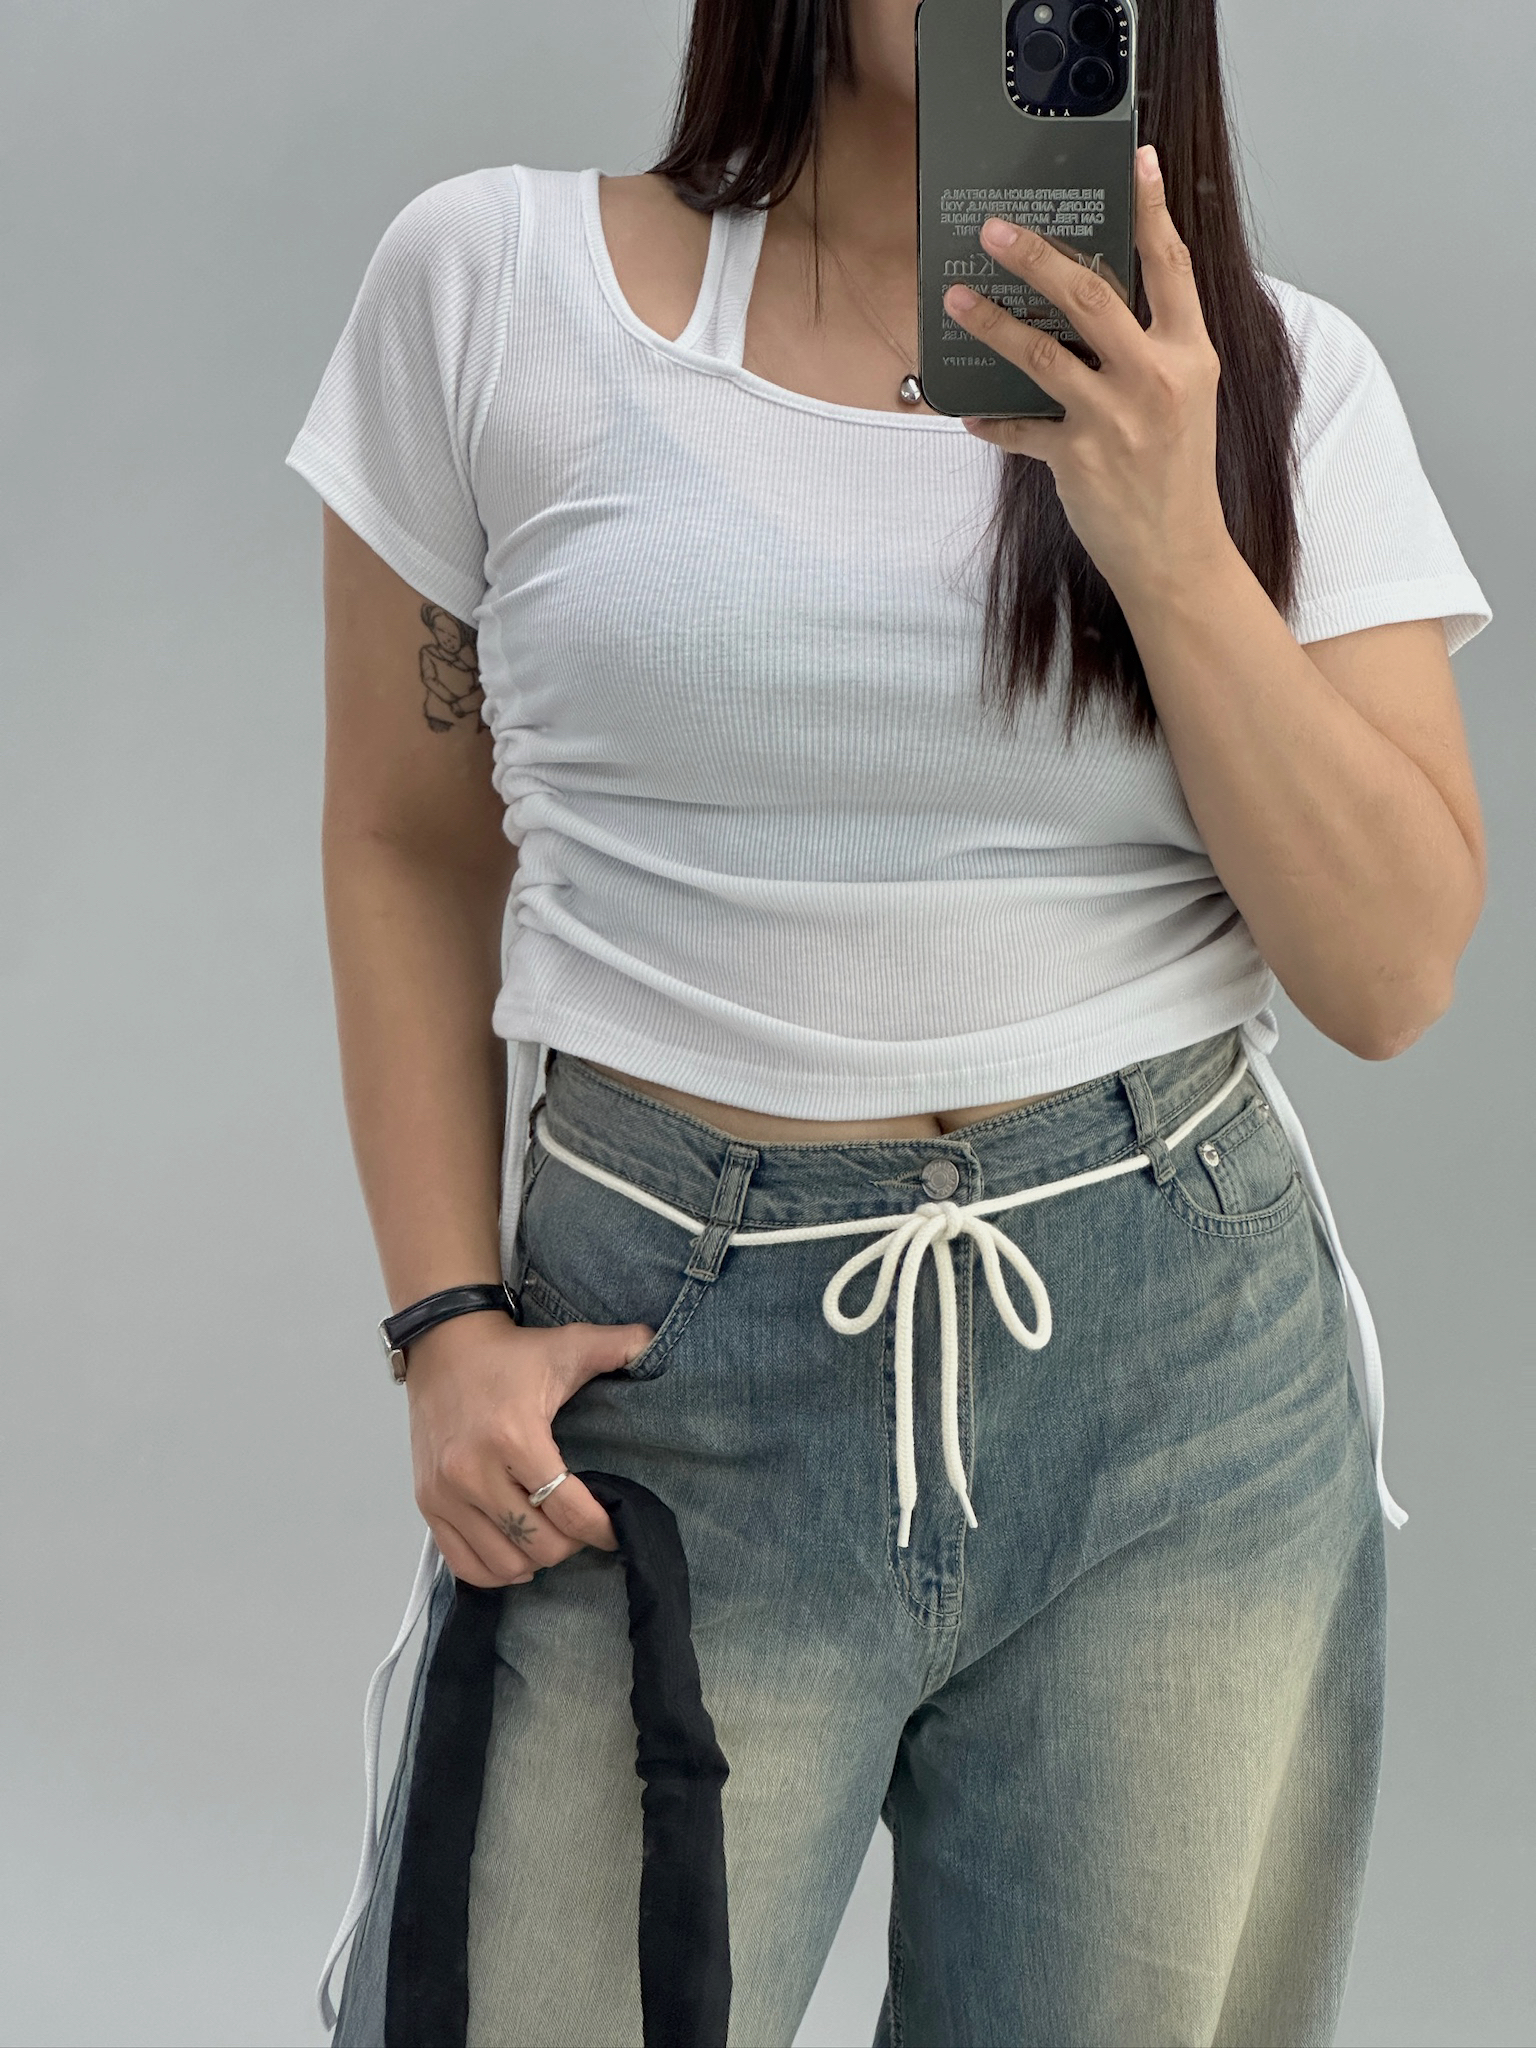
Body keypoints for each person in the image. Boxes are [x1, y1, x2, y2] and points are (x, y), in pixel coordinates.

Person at [286, 1, 1490, 2041]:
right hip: (668, 1367)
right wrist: (442, 1319)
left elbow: (1387, 974)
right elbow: (406, 845)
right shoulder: (495, 287)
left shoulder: (1277, 388)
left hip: (1178, 1388)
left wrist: (1165, 533)